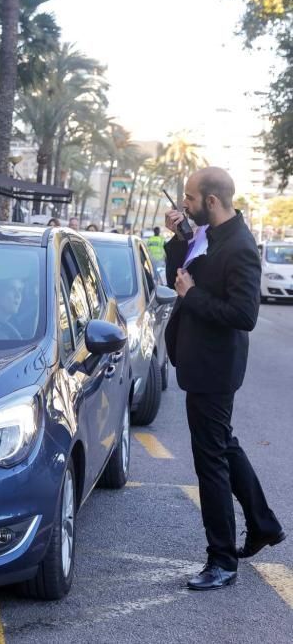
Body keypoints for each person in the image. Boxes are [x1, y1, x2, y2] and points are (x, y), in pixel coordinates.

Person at [164, 167, 284, 591]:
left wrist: (193, 295)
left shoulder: (240, 246)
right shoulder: (206, 235)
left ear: (212, 201)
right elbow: (176, 279)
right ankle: (263, 524)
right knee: (224, 446)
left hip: (215, 368)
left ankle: (222, 562)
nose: (184, 204)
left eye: (190, 198)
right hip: (199, 363)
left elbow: (243, 315)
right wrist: (179, 240)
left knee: (210, 461)